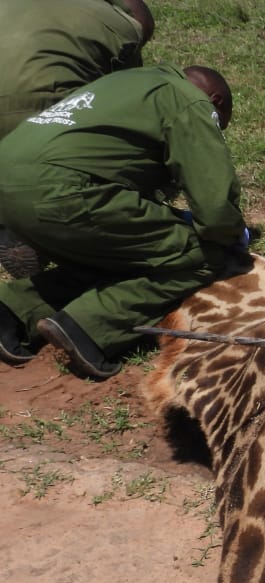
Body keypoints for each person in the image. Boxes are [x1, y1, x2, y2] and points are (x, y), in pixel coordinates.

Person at [0, 63, 248, 379]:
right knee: (203, 254)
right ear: (216, 102)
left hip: (9, 186)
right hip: (61, 191)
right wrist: (231, 234)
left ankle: (10, 312)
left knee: (118, 252)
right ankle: (88, 329)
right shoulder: (188, 101)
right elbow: (215, 212)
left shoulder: (128, 81)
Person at [0, 0, 156, 278]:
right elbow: (127, 99)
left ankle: (11, 224)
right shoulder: (122, 27)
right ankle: (45, 232)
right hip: (40, 113)